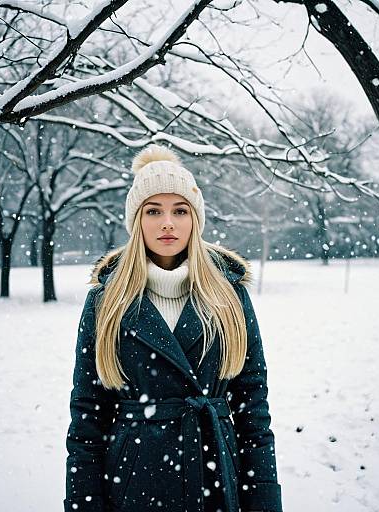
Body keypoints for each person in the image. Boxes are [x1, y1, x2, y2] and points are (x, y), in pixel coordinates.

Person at [63, 144, 283, 512]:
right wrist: (84, 504)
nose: (168, 222)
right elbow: (87, 419)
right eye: (154, 211)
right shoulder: (106, 301)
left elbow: (253, 411)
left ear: (195, 219)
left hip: (215, 468)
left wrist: (262, 500)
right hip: (134, 477)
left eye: (180, 210)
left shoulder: (229, 295)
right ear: (137, 222)